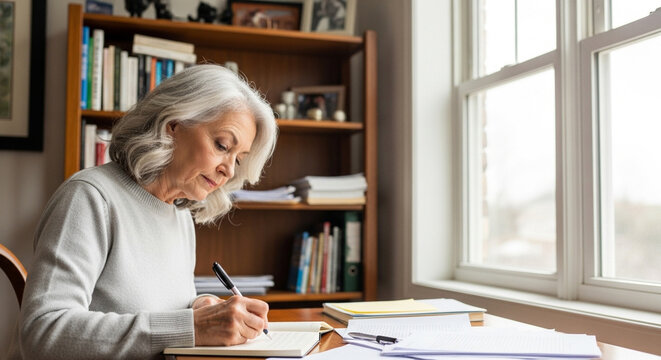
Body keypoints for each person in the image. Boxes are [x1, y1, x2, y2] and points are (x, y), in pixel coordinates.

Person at [6, 64, 278, 359]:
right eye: (222, 145)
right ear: (173, 124)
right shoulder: (90, 198)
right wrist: (192, 327)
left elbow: (152, 314)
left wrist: (200, 309)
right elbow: (42, 331)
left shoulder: (180, 216)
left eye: (238, 160)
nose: (228, 169)